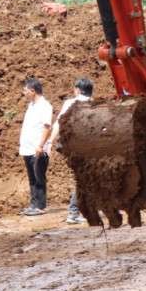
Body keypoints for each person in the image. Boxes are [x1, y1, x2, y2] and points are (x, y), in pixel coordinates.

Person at [49, 78, 94, 225]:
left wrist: (50, 142)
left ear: (78, 90)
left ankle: (80, 210)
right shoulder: (94, 104)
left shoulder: (70, 103)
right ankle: (74, 212)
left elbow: (58, 123)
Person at [19, 78, 53, 216]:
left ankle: (40, 206)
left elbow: (47, 126)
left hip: (37, 148)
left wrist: (40, 145)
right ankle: (33, 204)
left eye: (26, 90)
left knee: (39, 177)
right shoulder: (31, 105)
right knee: (32, 178)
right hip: (28, 148)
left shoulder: (45, 106)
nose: (24, 93)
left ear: (33, 91)